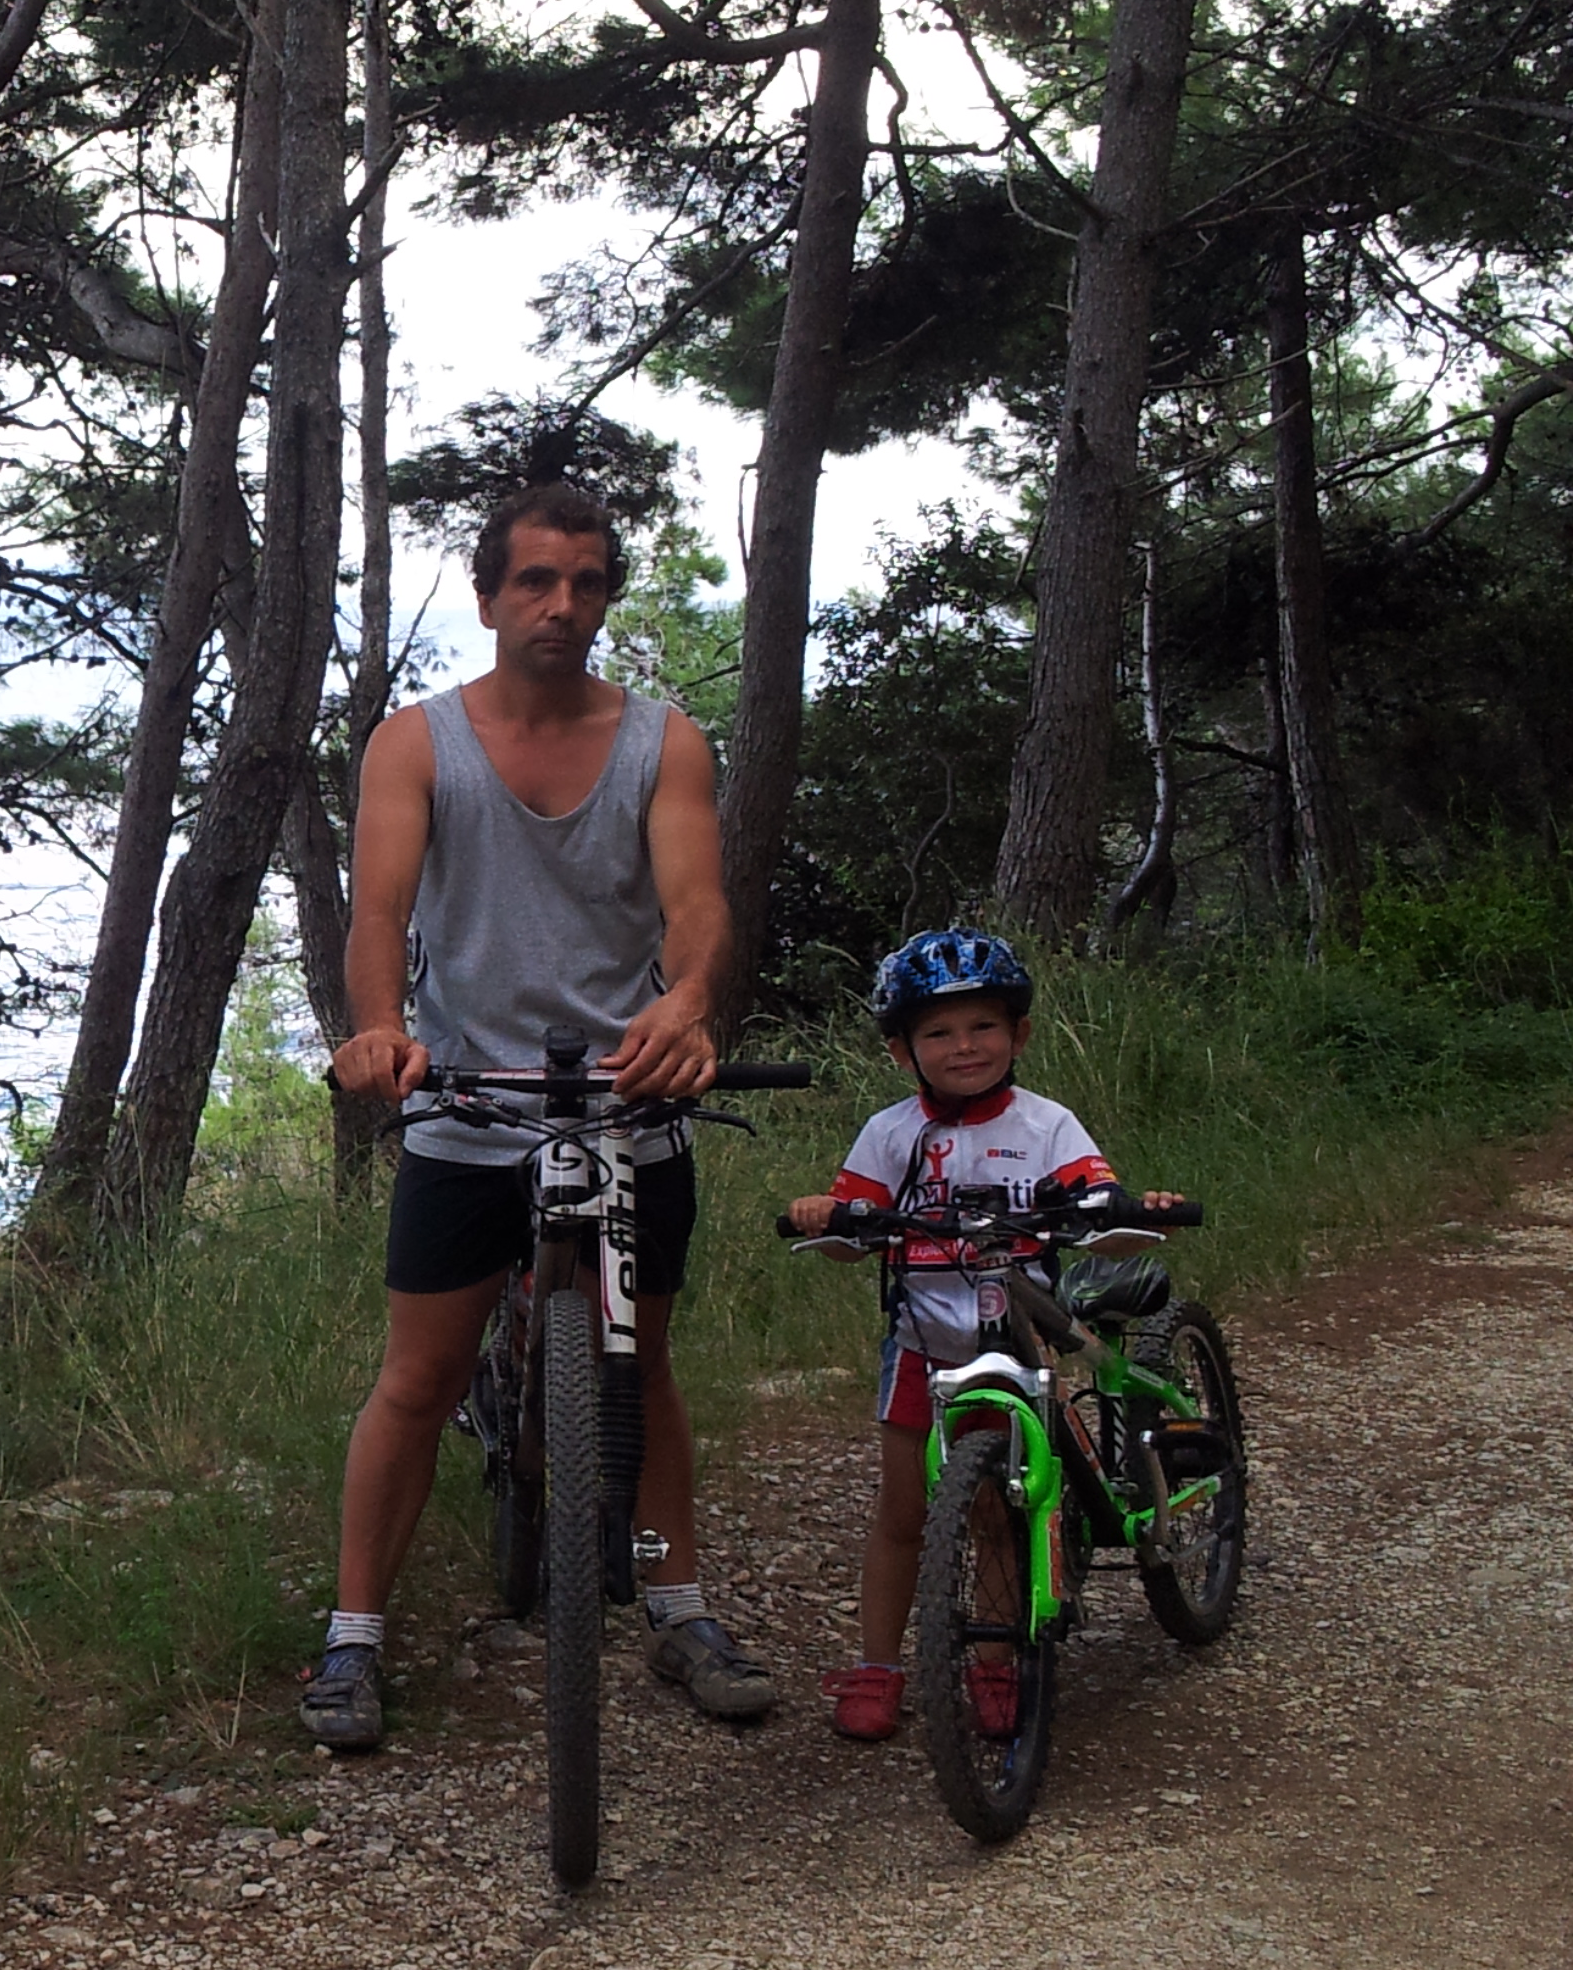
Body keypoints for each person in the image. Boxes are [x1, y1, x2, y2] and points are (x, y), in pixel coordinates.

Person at [307, 481, 771, 1753]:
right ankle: (353, 1636)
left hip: (629, 1099)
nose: (562, 605)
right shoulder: (416, 744)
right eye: (535, 581)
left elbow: (698, 905)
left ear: (606, 597)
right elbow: (379, 914)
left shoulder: (664, 742)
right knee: (419, 1376)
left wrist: (687, 1003)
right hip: (469, 1101)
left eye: (586, 583)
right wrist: (377, 1029)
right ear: (487, 597)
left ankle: (678, 1607)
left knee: (642, 1369)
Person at [787, 928, 1180, 1742]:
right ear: (902, 1051)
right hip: (922, 1346)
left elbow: (1094, 1198)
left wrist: (1131, 1211)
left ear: (1019, 1034)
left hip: (1016, 1347)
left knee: (1001, 1511)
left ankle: (995, 1659)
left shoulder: (1046, 1125)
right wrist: (826, 1217)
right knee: (902, 1511)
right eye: (938, 1033)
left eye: (983, 1027)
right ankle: (878, 1666)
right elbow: (851, 1223)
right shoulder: (891, 1133)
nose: (963, 1046)